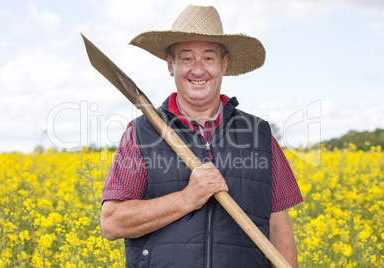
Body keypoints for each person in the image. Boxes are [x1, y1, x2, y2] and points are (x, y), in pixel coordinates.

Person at [101, 5, 303, 268]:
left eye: (208, 58)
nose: (198, 70)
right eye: (186, 58)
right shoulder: (140, 133)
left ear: (224, 64)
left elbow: (278, 223)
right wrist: (186, 199)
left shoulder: (260, 134)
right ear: (170, 65)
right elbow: (112, 223)